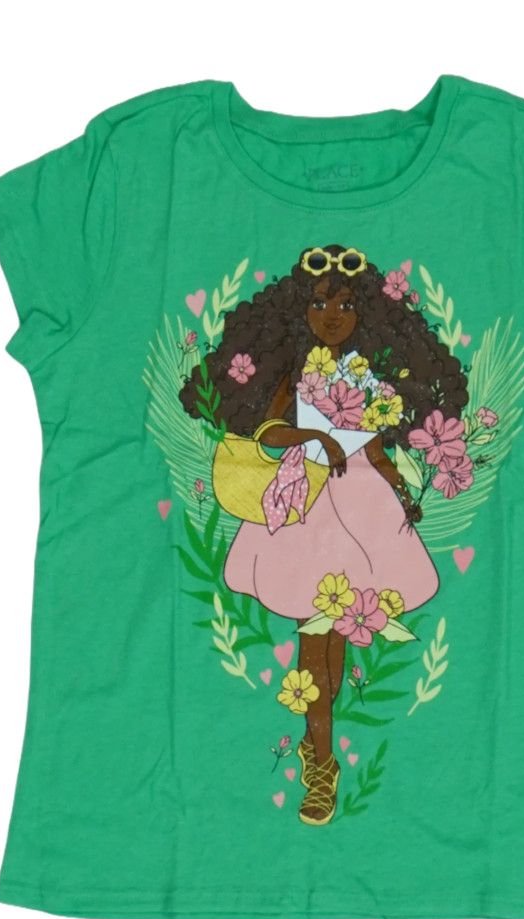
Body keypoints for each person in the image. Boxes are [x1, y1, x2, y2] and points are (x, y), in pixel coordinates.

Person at [179, 244, 468, 825]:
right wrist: (317, 439)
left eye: (345, 305)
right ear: (297, 309)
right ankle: (321, 769)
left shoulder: (372, 379)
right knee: (315, 644)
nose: (331, 315)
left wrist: (404, 491)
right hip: (306, 507)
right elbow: (267, 431)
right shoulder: (294, 372)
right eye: (318, 303)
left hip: (364, 516)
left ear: (367, 313)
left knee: (333, 651)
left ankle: (319, 747)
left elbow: (377, 450)